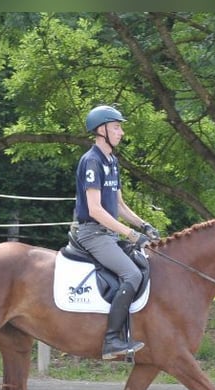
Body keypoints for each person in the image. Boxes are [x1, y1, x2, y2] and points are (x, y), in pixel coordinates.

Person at [74, 105, 161, 359]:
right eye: (116, 127)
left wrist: (143, 224)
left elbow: (119, 205)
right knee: (131, 274)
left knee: (145, 265)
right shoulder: (92, 161)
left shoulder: (112, 161)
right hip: (93, 234)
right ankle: (112, 340)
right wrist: (132, 236)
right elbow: (96, 209)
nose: (121, 132)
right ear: (101, 131)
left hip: (109, 234)